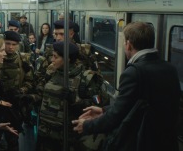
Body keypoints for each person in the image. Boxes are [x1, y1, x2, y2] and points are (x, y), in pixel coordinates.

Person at [72, 22, 181, 151]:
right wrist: (103, 110)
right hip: (167, 142)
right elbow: (137, 104)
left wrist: (87, 126)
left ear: (129, 45)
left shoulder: (134, 72)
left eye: (124, 43)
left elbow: (117, 116)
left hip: (142, 142)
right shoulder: (170, 68)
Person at [36, 41, 101, 151]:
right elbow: (42, 94)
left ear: (68, 59)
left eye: (55, 57)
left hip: (69, 138)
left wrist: (74, 100)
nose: (52, 60)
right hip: (46, 133)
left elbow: (97, 106)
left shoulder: (86, 78)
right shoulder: (52, 72)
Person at [0, 30, 36, 151]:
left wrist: (21, 91)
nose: (10, 47)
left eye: (14, 44)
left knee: (13, 139)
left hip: (15, 105)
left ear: (18, 45)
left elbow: (30, 81)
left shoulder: (23, 59)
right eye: (8, 43)